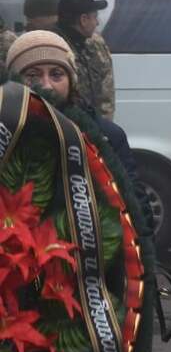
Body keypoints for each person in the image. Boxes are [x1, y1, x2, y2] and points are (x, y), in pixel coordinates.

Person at [5, 30, 146, 216]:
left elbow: (137, 210)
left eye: (56, 74)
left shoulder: (106, 136)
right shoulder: (5, 134)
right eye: (33, 75)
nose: (46, 85)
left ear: (71, 81)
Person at [57, 0, 116, 118]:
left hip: (95, 130)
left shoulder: (95, 44)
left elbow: (106, 96)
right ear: (83, 20)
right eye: (95, 17)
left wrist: (103, 130)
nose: (97, 23)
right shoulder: (55, 49)